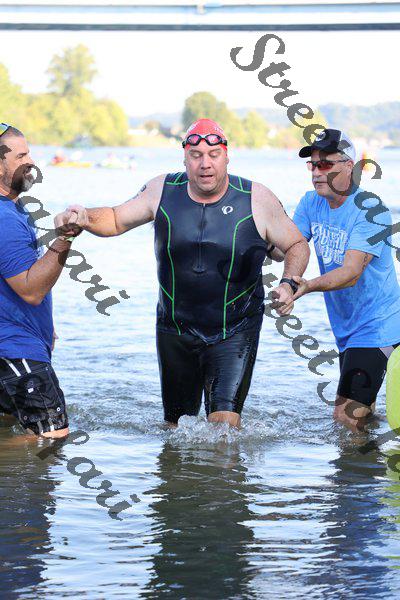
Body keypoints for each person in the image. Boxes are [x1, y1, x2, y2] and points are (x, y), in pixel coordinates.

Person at [55, 118, 309, 428]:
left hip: (235, 329)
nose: (205, 164)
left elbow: (296, 244)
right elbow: (116, 219)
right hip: (175, 329)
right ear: (185, 158)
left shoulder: (256, 198)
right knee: (174, 429)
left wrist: (288, 283)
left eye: (213, 155)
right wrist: (83, 217)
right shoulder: (161, 190)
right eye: (196, 155)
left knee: (224, 429)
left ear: (226, 157)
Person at [289, 128, 400, 433]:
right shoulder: (311, 203)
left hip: (378, 325)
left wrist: (307, 285)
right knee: (363, 416)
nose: (316, 172)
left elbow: (351, 273)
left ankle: (360, 463)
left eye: (326, 164)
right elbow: (290, 245)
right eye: (313, 165)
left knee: (346, 418)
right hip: (347, 328)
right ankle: (373, 457)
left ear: (349, 166)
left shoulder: (371, 210)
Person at [0, 123, 74, 439]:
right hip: (15, 350)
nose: (31, 161)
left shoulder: (14, 208)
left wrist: (45, 327)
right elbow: (31, 290)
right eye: (21, 156)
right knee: (52, 439)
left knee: (14, 431)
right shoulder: (4, 218)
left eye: (28, 153)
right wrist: (65, 238)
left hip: (15, 345)